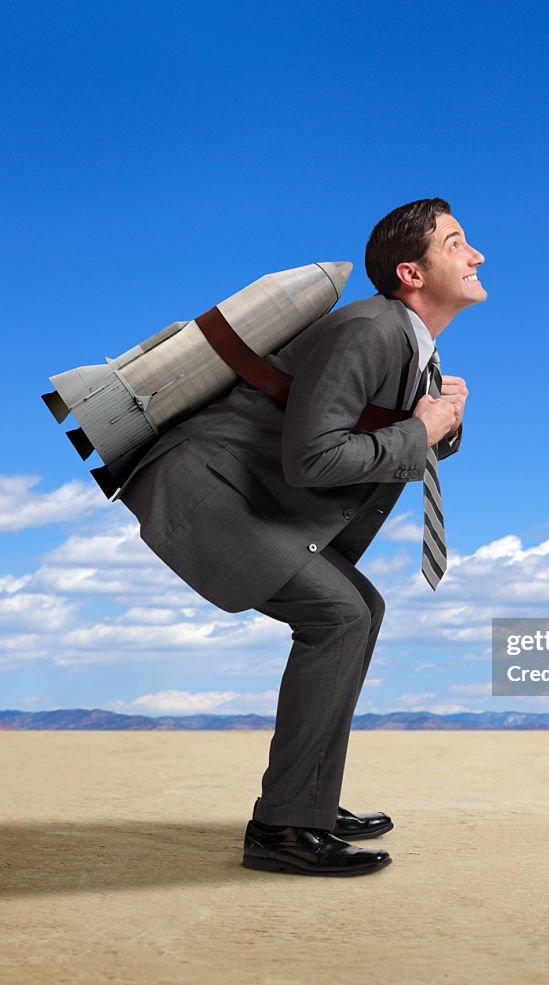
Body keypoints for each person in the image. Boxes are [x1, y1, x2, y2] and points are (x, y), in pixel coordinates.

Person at [120, 198, 486, 875]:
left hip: (247, 498)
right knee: (341, 614)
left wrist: (442, 424)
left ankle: (307, 799)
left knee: (360, 609)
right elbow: (315, 458)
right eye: (457, 242)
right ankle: (284, 828)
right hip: (209, 492)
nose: (477, 254)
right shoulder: (372, 331)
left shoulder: (410, 344)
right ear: (411, 272)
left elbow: (386, 435)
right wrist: (423, 428)